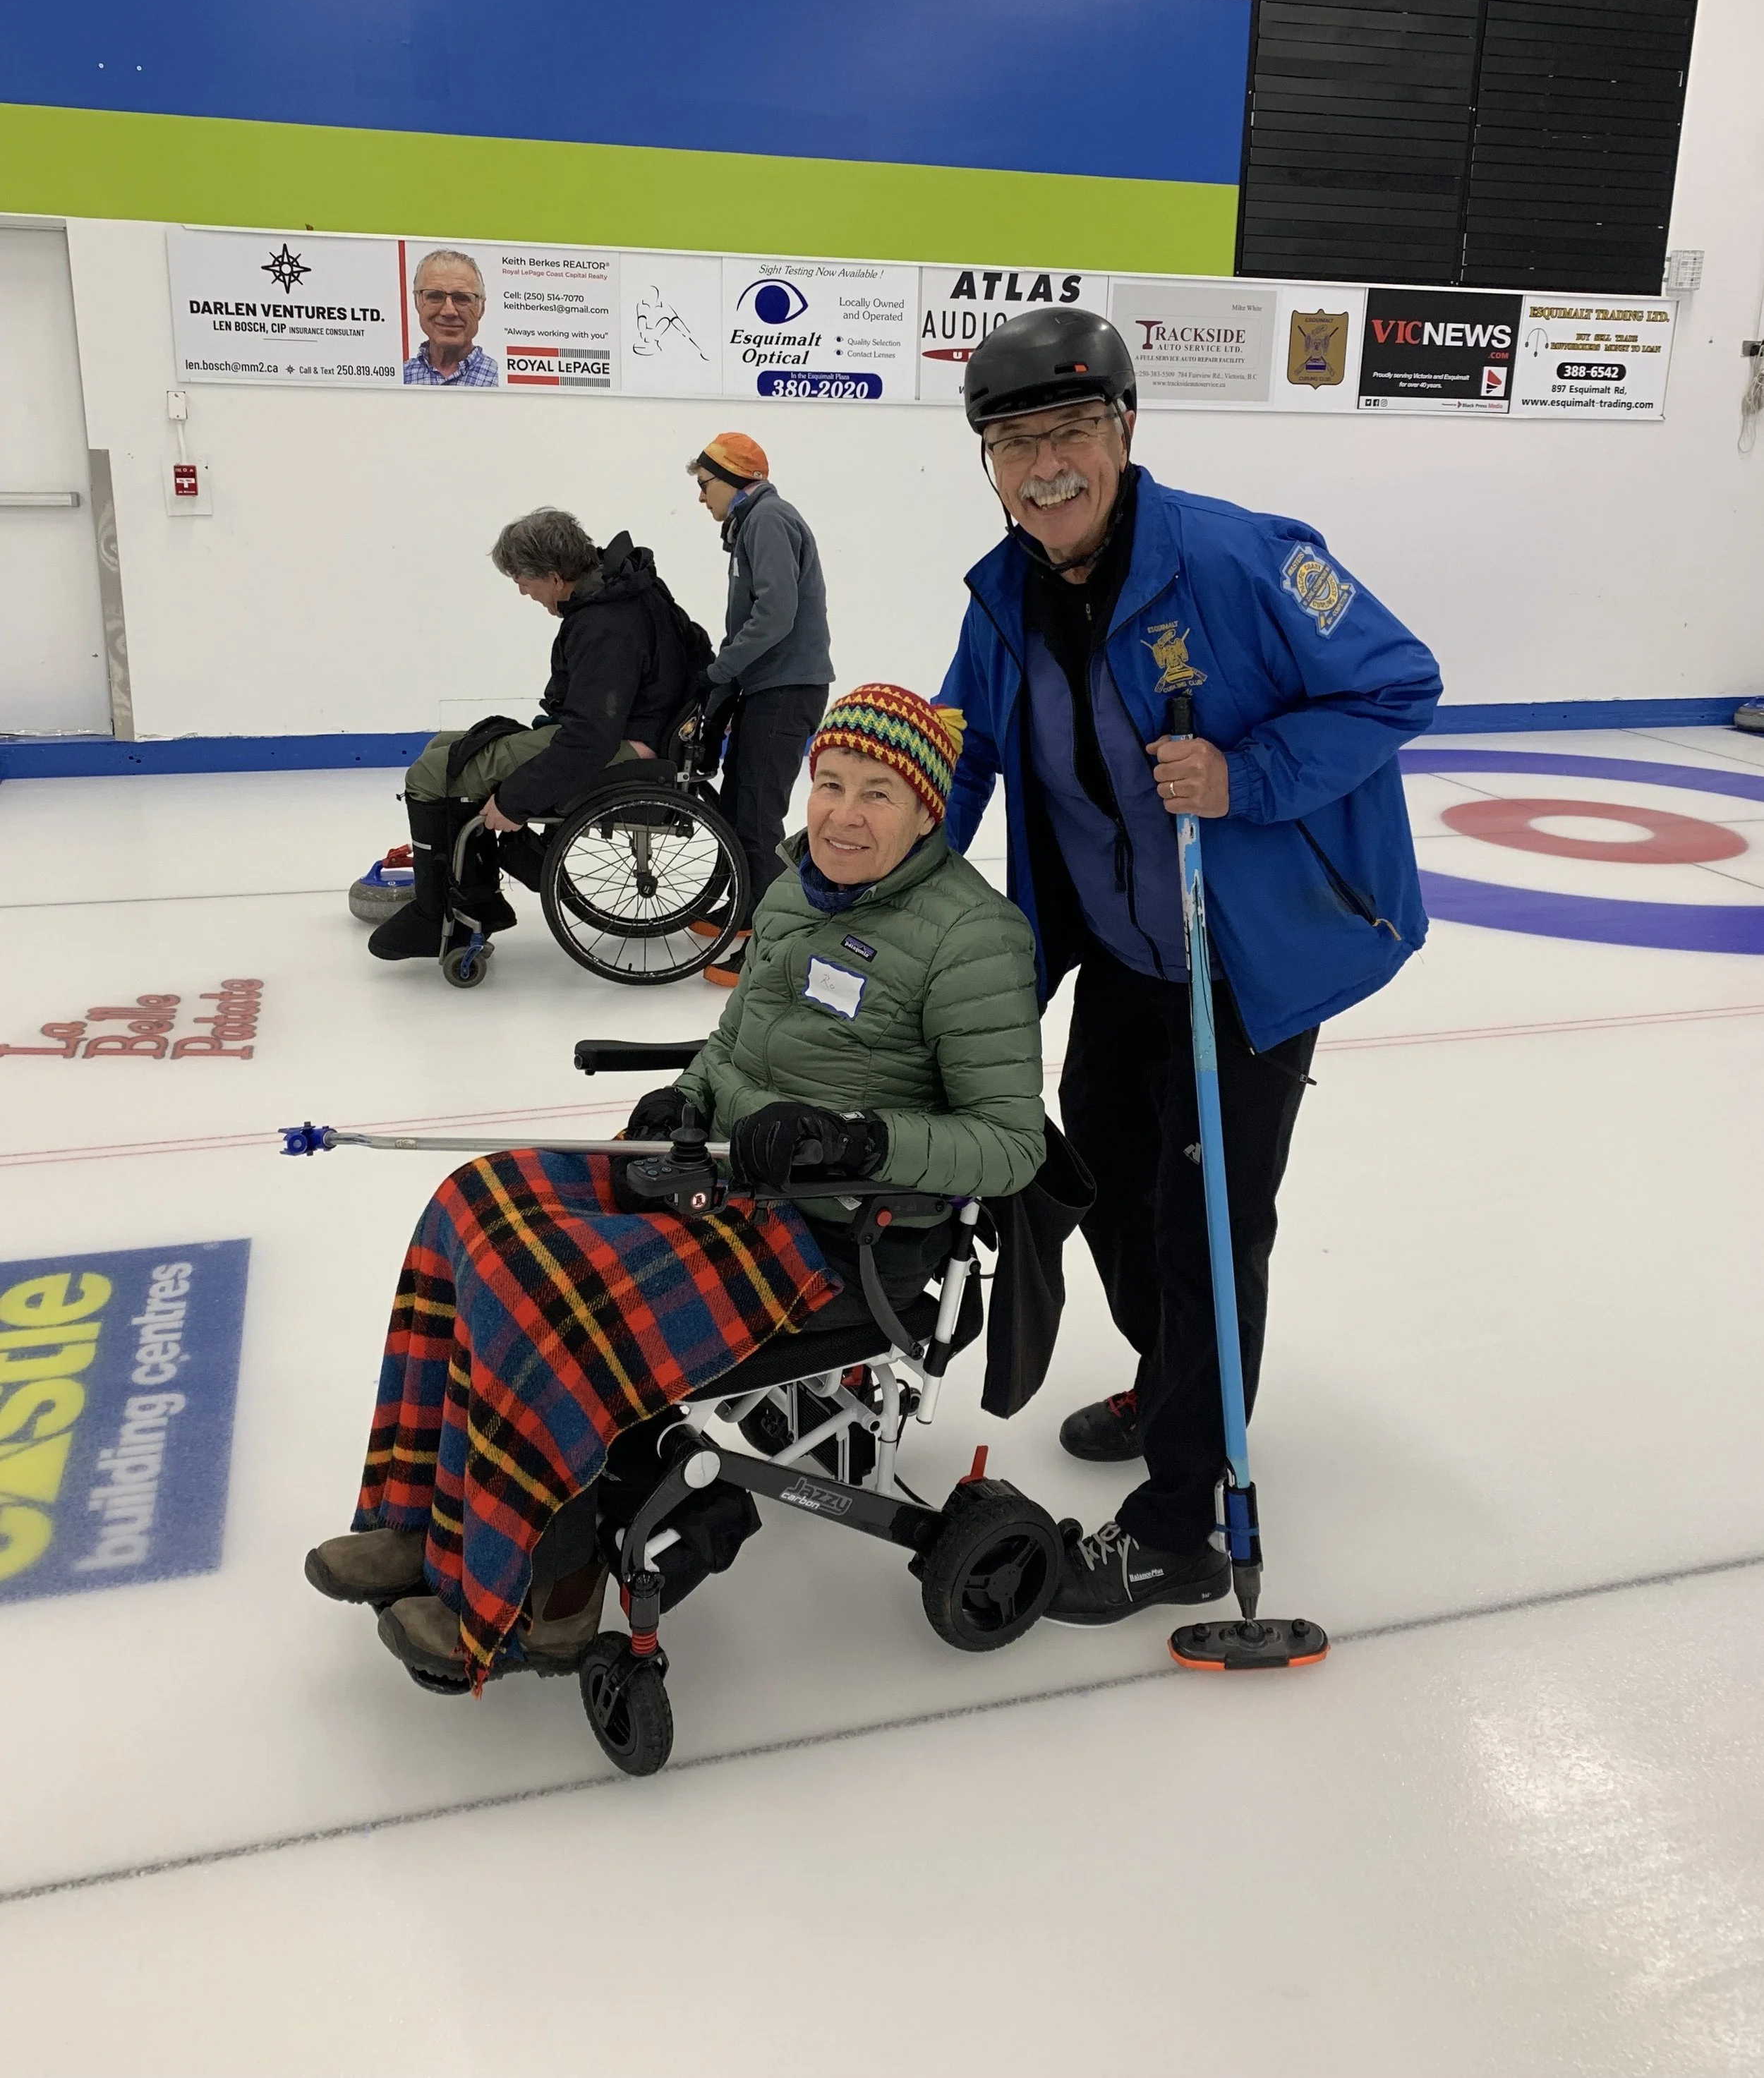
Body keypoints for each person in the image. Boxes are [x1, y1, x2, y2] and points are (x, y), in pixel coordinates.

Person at [306, 684, 1045, 1686]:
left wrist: (856, 1136)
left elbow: (1008, 1147)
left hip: (835, 1239)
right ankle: (418, 1523)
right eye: (830, 784)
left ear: (928, 811)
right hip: (720, 1179)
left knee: (546, 1291)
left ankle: (548, 1603)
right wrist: (684, 1097)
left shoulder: (973, 937)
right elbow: (734, 1041)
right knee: (472, 1205)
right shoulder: (795, 885)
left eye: (877, 793)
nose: (843, 813)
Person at [936, 306, 1442, 1626]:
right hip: (1123, 954)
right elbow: (962, 755)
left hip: (1248, 950)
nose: (1044, 463)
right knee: (1092, 1159)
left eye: (1069, 430)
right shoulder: (1004, 601)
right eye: (1014, 441)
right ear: (987, 463)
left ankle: (1182, 1522)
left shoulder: (1246, 559)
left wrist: (1244, 774)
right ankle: (1178, 1377)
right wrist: (866, 886)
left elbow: (1397, 682)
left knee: (1205, 1216)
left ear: (1126, 431)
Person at [368, 506, 706, 961]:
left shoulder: (607, 624)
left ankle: (436, 917)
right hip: (630, 730)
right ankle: (472, 899)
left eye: (522, 580)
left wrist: (514, 800)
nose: (522, 590)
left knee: (430, 774)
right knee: (444, 746)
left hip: (621, 746)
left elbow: (589, 738)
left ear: (554, 576)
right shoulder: (623, 589)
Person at [687, 433, 834, 987]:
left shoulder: (769, 519)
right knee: (738, 804)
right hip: (770, 687)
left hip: (786, 689)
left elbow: (775, 615)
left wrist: (719, 671)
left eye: (705, 486)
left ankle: (775, 947)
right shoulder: (753, 524)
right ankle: (749, 911)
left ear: (733, 479)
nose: (701, 498)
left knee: (756, 816)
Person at [402, 248, 498, 387]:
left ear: (481, 308)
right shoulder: (399, 378)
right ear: (417, 303)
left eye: (462, 298)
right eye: (435, 296)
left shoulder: (501, 381)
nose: (449, 311)